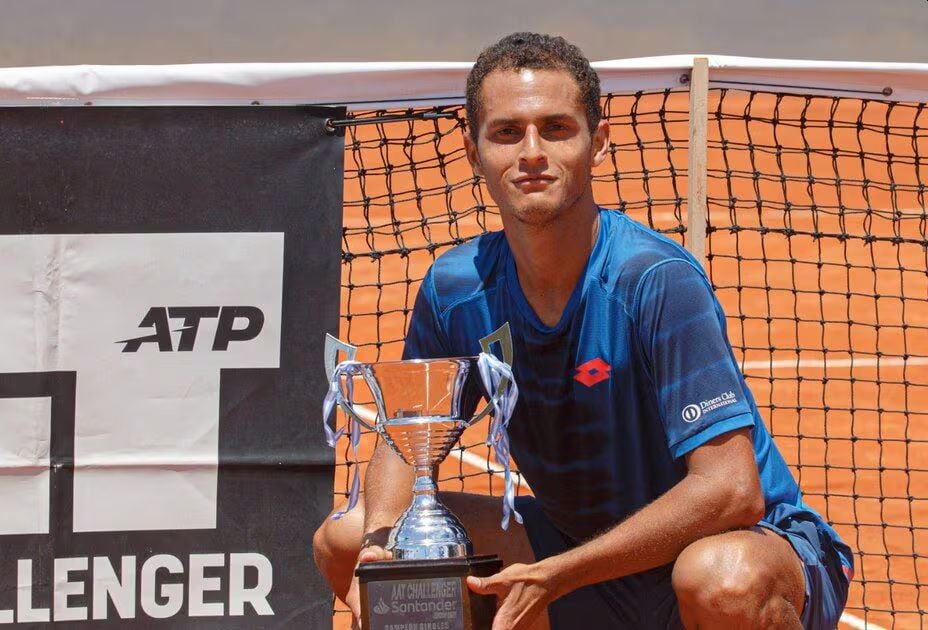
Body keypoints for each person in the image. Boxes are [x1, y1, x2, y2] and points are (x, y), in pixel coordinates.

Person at [312, 32, 854, 630]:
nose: (532, 152)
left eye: (556, 128)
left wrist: (561, 574)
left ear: (597, 144)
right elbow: (402, 441)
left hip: (733, 543)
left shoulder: (655, 280)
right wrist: (381, 546)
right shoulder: (455, 288)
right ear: (472, 151)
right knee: (348, 539)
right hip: (572, 547)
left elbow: (731, 490)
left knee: (724, 579)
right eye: (507, 132)